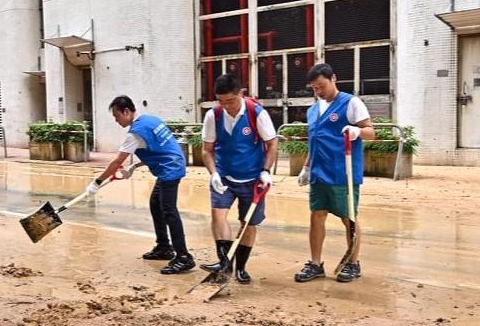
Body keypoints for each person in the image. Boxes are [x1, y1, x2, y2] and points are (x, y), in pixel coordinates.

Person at [92, 96, 194, 274]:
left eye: (117, 117)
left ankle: (184, 257)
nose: (117, 121)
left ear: (126, 112)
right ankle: (164, 247)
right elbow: (161, 148)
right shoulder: (150, 120)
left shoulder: (135, 133)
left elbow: (116, 162)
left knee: (169, 211)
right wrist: (135, 165)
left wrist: (97, 182)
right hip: (172, 164)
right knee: (156, 204)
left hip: (169, 170)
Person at [294, 63, 376, 284]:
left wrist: (357, 131)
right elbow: (314, 142)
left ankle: (352, 262)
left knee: (348, 218)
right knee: (316, 215)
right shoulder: (313, 110)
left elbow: (371, 132)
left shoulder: (351, 103)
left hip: (343, 173)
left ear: (333, 79)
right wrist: (306, 167)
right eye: (314, 88)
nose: (319, 91)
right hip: (319, 173)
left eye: (321, 86)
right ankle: (315, 263)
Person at [200, 74, 278, 283]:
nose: (226, 106)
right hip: (224, 176)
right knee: (218, 216)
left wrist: (266, 171)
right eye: (221, 101)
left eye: (230, 101)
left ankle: (241, 268)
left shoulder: (256, 113)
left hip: (253, 180)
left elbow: (272, 144)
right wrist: (214, 173)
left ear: (240, 94)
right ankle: (225, 264)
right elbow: (207, 150)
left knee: (248, 224)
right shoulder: (213, 116)